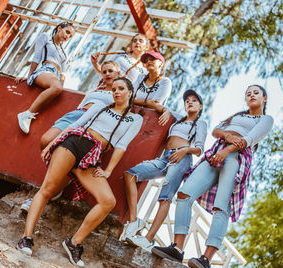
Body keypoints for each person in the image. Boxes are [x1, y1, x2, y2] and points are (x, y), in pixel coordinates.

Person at [16, 77, 143, 267]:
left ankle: (74, 242)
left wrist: (108, 171)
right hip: (74, 142)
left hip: (91, 156)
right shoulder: (99, 107)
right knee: (48, 189)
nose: (116, 92)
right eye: (114, 89)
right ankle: (26, 237)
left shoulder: (135, 119)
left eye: (121, 89)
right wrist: (51, 144)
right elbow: (74, 126)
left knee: (107, 201)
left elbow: (121, 146)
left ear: (130, 92)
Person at [151, 85, 274, 268]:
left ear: (264, 98)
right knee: (185, 194)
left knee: (221, 207)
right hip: (215, 152)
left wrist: (227, 150)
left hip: (236, 157)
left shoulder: (266, 119)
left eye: (256, 93)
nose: (251, 95)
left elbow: (249, 139)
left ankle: (206, 259)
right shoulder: (237, 116)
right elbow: (216, 130)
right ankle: (177, 248)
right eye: (248, 93)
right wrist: (226, 136)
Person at [19, 60, 121, 212]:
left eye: (110, 71)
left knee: (71, 159)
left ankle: (44, 194)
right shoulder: (99, 87)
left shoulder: (120, 92)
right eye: (104, 71)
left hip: (92, 121)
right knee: (46, 140)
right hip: (75, 115)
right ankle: (57, 182)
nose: (107, 74)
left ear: (118, 73)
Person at [121, 90, 207, 252]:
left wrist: (185, 150)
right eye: (187, 100)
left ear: (200, 106)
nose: (189, 102)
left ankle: (148, 239)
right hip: (164, 158)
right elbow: (158, 106)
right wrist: (166, 110)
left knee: (165, 197)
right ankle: (134, 221)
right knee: (130, 174)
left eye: (194, 100)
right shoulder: (178, 119)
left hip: (181, 158)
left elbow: (199, 149)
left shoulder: (200, 124)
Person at [16, 22, 75, 134]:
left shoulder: (63, 53)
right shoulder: (46, 37)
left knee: (58, 88)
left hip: (55, 76)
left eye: (70, 36)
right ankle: (27, 114)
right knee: (57, 87)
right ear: (59, 28)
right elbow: (37, 56)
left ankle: (28, 114)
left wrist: (60, 89)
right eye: (67, 32)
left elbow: (63, 74)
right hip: (45, 71)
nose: (67, 36)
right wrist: (29, 76)